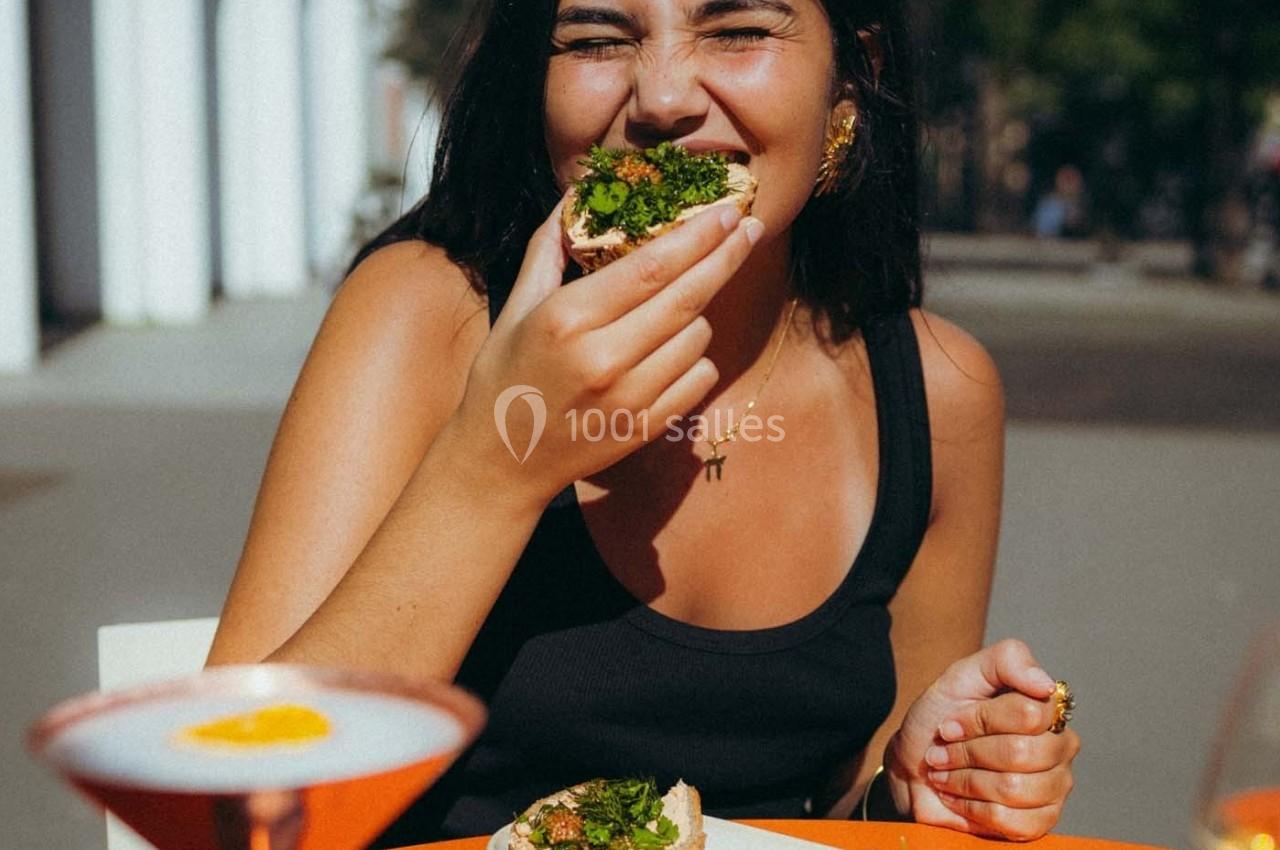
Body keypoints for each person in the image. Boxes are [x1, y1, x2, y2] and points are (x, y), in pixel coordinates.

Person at [206, 0, 1080, 843]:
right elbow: (231, 819)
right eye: (594, 38)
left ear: (853, 79)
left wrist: (910, 788)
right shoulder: (423, 317)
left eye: (737, 29)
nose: (662, 99)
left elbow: (849, 821)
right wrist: (495, 470)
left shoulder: (936, 393)